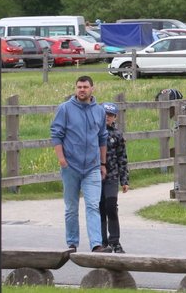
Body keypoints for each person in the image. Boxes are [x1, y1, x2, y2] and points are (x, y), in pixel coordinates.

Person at [50, 75, 108, 252]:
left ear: (92, 89)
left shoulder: (99, 111)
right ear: (75, 89)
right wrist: (62, 160)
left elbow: (102, 137)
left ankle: (96, 244)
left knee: (92, 205)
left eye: (85, 87)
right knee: (71, 207)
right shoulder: (65, 109)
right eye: (79, 87)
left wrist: (103, 163)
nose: (82, 90)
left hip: (92, 166)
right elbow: (56, 135)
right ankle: (72, 243)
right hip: (71, 166)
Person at [99, 102, 130, 253]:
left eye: (110, 115)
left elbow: (122, 158)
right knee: (100, 208)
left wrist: (124, 180)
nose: (106, 117)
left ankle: (115, 241)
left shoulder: (117, 135)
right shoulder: (93, 132)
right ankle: (102, 242)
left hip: (112, 176)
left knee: (111, 206)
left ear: (114, 117)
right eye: (104, 114)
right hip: (95, 176)